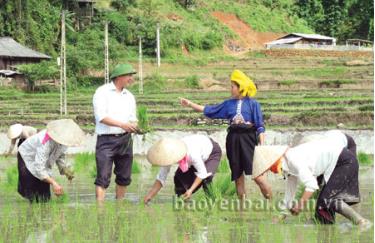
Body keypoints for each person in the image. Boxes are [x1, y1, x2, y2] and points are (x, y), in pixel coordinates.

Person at [251, 130, 372, 230]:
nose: (271, 171)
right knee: (321, 205)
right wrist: (281, 216)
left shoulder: (294, 159)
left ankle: (362, 222)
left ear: (274, 161)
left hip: (344, 161)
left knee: (329, 198)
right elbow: (290, 193)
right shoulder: (288, 165)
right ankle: (325, 226)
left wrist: (299, 206)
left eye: (269, 168)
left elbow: (311, 185)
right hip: (336, 162)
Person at [179, 70, 265, 201]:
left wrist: (262, 146)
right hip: (233, 140)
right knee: (238, 177)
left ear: (240, 87)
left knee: (258, 177)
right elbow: (209, 110)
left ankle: (270, 202)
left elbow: (260, 127)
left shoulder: (253, 104)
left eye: (232, 86)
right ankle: (242, 207)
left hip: (248, 141)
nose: (230, 89)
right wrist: (190, 104)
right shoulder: (228, 104)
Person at [93, 63, 139, 202]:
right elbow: (101, 117)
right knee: (103, 176)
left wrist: (135, 126)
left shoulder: (129, 96)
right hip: (106, 140)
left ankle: (119, 204)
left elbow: (132, 118)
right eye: (129, 75)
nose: (131, 78)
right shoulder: (102, 92)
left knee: (124, 176)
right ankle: (100, 208)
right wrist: (122, 124)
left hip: (125, 140)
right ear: (119, 77)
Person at [17, 119, 84, 203]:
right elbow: (39, 167)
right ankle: (32, 210)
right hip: (27, 157)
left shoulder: (64, 142)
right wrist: (54, 183)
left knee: (45, 196)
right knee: (34, 191)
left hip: (40, 160)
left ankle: (43, 211)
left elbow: (60, 156)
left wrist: (65, 170)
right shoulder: (45, 141)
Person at [144, 135, 222, 203]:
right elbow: (161, 178)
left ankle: (213, 204)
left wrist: (190, 190)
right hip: (194, 156)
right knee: (179, 178)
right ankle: (183, 203)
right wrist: (149, 196)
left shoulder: (192, 153)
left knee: (206, 179)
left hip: (212, 152)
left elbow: (202, 173)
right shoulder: (168, 155)